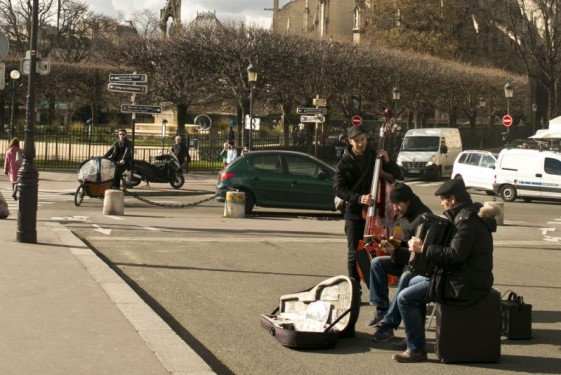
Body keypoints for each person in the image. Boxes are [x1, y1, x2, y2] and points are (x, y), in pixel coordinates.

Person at [392, 178, 497, 363]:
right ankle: (414, 337)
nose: (441, 204)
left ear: (453, 200)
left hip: (464, 283)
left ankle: (416, 349)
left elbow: (456, 255)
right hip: (460, 276)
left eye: (443, 199)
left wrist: (424, 248)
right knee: (410, 280)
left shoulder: (466, 222)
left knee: (405, 298)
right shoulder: (465, 216)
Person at [333, 125, 401, 288]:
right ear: (350, 142)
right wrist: (359, 198)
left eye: (363, 139)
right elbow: (338, 188)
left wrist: (388, 161)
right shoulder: (345, 162)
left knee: (376, 249)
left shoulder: (374, 156)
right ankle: (355, 287)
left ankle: (374, 285)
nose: (361, 143)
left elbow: (396, 175)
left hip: (377, 211)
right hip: (355, 212)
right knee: (354, 252)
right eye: (357, 141)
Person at [367, 182, 432, 328]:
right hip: (403, 258)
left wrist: (395, 252)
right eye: (393, 204)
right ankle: (382, 308)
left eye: (397, 204)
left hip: (416, 265)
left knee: (405, 276)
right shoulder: (402, 215)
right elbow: (401, 240)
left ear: (408, 201)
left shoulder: (423, 218)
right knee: (377, 263)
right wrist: (388, 244)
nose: (395, 208)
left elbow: (418, 254)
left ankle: (390, 321)